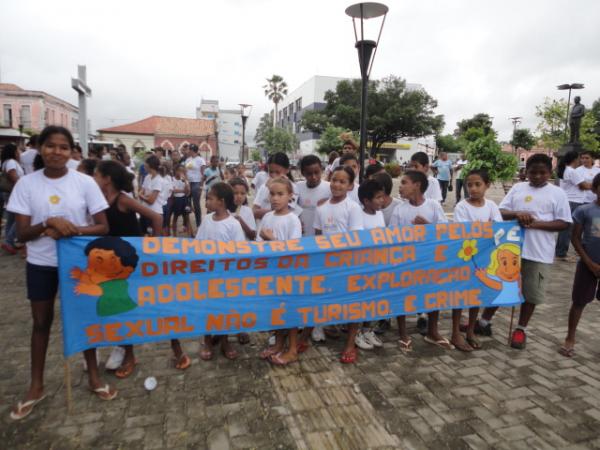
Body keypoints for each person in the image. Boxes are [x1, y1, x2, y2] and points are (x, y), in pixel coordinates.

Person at [7, 126, 116, 420]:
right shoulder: (27, 185)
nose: (57, 152)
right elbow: (22, 233)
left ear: (71, 152)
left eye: (64, 147)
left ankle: (94, 377)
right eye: (51, 146)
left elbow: (102, 226)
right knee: (41, 323)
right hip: (41, 264)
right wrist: (47, 223)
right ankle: (36, 386)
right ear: (41, 148)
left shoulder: (84, 183)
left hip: (76, 263)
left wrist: (73, 228)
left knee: (83, 319)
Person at [92, 160, 190, 376]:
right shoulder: (99, 201)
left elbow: (155, 217)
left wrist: (153, 248)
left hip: (136, 261)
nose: (94, 179)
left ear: (107, 179)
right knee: (123, 309)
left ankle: (178, 350)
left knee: (159, 305)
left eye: (96, 175)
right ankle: (129, 356)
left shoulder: (122, 200)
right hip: (114, 265)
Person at [476, 154, 572, 348]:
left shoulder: (557, 193)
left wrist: (536, 224)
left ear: (549, 172)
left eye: (542, 172)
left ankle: (521, 329)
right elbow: (500, 211)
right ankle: (484, 322)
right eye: (532, 172)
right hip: (511, 249)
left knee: (531, 293)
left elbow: (563, 223)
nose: (537, 176)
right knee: (502, 286)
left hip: (538, 252)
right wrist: (517, 214)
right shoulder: (518, 188)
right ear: (525, 172)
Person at [390, 170, 450, 351]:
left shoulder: (432, 206)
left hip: (429, 260)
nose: (400, 187)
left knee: (433, 294)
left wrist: (428, 227)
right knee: (403, 294)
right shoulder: (399, 209)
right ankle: (403, 333)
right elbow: (392, 236)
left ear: (417, 185)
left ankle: (433, 331)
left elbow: (446, 231)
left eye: (404, 182)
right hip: (406, 261)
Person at [308, 166, 364, 360]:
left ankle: (350, 343)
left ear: (350, 186)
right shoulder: (321, 207)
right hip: (325, 263)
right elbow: (317, 236)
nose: (336, 185)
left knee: (352, 302)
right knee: (323, 295)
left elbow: (355, 239)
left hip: (346, 264)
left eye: (342, 182)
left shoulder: (353, 208)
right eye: (334, 180)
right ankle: (319, 326)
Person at [452, 169, 503, 351]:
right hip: (465, 258)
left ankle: (471, 331)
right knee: (460, 296)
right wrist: (485, 229)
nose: (473, 188)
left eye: (477, 184)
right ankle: (455, 333)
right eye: (469, 185)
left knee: (476, 295)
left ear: (487, 185)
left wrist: (485, 230)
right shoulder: (461, 207)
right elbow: (463, 232)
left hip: (484, 259)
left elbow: (498, 229)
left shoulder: (492, 206)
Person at [257, 177, 303, 365]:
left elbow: (293, 250)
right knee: (277, 312)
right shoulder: (267, 217)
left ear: (290, 196)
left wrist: (271, 239)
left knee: (289, 312)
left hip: (288, 274)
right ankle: (278, 344)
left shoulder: (293, 220)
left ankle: (292, 349)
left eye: (280, 194)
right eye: (272, 194)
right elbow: (259, 245)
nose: (275, 198)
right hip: (271, 273)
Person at [196, 182, 245, 361]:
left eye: (209, 198)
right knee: (207, 308)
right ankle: (207, 340)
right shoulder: (207, 220)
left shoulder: (233, 225)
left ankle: (225, 341)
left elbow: (240, 251)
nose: (206, 201)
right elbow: (197, 244)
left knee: (224, 309)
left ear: (221, 202)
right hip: (207, 276)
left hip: (225, 277)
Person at [559, 174, 600, 357]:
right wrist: (589, 262)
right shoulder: (585, 210)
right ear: (594, 189)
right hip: (587, 263)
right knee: (579, 302)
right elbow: (575, 239)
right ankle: (570, 337)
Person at [354, 179, 385, 351]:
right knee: (362, 300)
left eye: (382, 196)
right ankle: (357, 332)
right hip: (362, 266)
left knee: (373, 300)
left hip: (377, 265)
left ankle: (367, 329)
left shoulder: (379, 214)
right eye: (378, 197)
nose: (382, 200)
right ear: (366, 201)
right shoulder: (358, 214)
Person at [556, 150, 590, 261]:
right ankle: (561, 253)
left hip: (568, 200)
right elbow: (583, 186)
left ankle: (561, 252)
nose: (581, 161)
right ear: (575, 159)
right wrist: (592, 185)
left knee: (566, 228)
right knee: (568, 228)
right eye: (580, 158)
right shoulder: (572, 171)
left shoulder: (565, 170)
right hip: (574, 201)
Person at [253, 152, 299, 219]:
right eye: (271, 172)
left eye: (278, 172)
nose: (274, 175)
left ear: (287, 170)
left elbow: (285, 213)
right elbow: (254, 210)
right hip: (263, 227)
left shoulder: (293, 188)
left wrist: (263, 212)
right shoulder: (264, 186)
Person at [296, 154, 330, 236]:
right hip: (303, 233)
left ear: (321, 170)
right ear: (303, 173)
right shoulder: (297, 186)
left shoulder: (330, 187)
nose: (313, 177)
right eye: (309, 174)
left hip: (323, 234)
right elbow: (292, 208)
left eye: (316, 172)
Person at [1, 143, 24, 255]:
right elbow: (14, 178)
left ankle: (8, 241)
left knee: (11, 219)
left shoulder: (7, 162)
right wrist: (25, 186)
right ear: (13, 152)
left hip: (10, 193)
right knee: (18, 219)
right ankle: (9, 241)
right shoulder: (11, 162)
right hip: (14, 193)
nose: (19, 152)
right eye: (17, 150)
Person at [138, 155, 164, 235]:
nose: (144, 165)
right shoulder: (147, 177)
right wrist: (145, 196)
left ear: (150, 165)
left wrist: (142, 196)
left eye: (145, 164)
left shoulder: (158, 180)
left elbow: (151, 200)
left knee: (154, 239)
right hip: (145, 210)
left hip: (155, 213)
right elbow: (141, 192)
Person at [185, 144, 206, 228]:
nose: (187, 151)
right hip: (188, 183)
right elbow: (185, 172)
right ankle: (187, 225)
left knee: (196, 204)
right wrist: (186, 183)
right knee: (186, 204)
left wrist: (201, 186)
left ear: (192, 150)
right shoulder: (187, 160)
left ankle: (198, 224)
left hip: (196, 183)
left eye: (189, 149)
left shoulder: (201, 160)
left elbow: (203, 174)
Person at [230, 177, 257, 241]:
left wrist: (241, 222)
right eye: (235, 193)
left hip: (243, 247)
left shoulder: (247, 211)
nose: (239, 196)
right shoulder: (224, 211)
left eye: (242, 193)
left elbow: (252, 236)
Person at [171, 165, 192, 237]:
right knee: (175, 217)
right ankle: (174, 235)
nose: (181, 172)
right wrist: (183, 190)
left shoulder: (185, 180)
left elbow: (188, 191)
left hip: (184, 199)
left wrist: (185, 181)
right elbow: (173, 191)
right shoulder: (172, 179)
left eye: (182, 171)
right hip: (177, 200)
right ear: (176, 171)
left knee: (187, 217)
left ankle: (189, 235)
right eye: (179, 170)